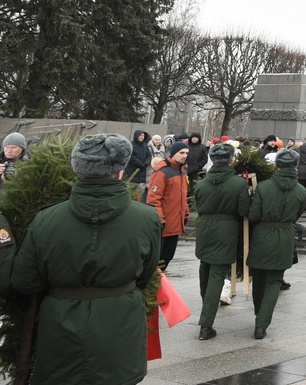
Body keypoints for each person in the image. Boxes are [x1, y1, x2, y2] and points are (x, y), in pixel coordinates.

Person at [11, 134, 161, 385]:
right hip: (120, 323)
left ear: (78, 171)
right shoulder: (146, 218)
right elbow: (146, 274)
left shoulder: (46, 219)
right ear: (119, 172)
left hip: (61, 325)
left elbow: (25, 281)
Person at [192, 142, 250, 340]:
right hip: (226, 230)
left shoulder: (201, 184)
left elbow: (199, 208)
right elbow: (244, 211)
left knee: (205, 268)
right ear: (231, 160)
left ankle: (206, 307)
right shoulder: (238, 183)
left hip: (205, 228)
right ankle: (206, 325)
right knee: (217, 273)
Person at [247, 148, 306, 339]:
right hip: (285, 237)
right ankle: (261, 325)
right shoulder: (301, 190)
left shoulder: (263, 187)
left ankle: (259, 314)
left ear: (277, 165)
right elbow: (298, 214)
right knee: (274, 281)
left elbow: (254, 215)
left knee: (258, 278)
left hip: (262, 236)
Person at [147, 140, 190, 269]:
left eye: (186, 153)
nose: (184, 156)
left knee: (167, 258)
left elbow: (183, 197)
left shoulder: (182, 171)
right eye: (181, 153)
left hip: (175, 225)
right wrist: (160, 220)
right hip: (163, 225)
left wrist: (186, 213)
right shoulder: (162, 171)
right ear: (173, 153)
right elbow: (153, 199)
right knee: (157, 261)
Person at [124, 129, 153, 199]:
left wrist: (146, 163)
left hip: (142, 170)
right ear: (136, 136)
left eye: (143, 135)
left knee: (139, 191)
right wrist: (140, 164)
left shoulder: (145, 145)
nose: (142, 137)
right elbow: (131, 156)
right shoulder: (131, 145)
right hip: (132, 171)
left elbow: (149, 155)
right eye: (140, 135)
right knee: (132, 188)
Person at [0, 131, 30, 196]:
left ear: (22, 148)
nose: (9, 151)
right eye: (6, 147)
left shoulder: (31, 162)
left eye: (13, 147)